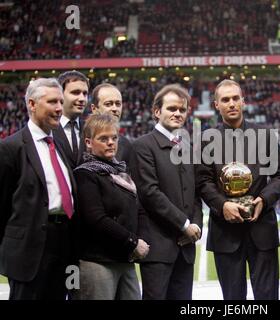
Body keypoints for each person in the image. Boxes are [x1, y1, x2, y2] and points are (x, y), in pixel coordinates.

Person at [197, 79, 280, 300]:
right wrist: (222, 205)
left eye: (235, 98)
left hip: (262, 230)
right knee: (232, 300)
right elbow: (202, 182)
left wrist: (264, 200)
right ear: (216, 105)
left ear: (243, 102)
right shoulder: (206, 141)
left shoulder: (265, 136)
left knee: (267, 298)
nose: (231, 103)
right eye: (225, 99)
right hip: (225, 232)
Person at [0, 78, 76, 300]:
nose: (59, 108)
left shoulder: (61, 145)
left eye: (61, 102)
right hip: (28, 251)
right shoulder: (10, 148)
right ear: (32, 104)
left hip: (63, 244)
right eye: (52, 102)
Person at [132, 84, 202, 300]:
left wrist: (196, 225)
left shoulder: (189, 149)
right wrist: (184, 225)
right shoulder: (142, 146)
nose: (177, 113)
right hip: (158, 248)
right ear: (157, 112)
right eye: (172, 108)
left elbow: (195, 194)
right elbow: (149, 193)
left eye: (182, 110)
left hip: (185, 249)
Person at [72, 113, 149, 300]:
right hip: (98, 261)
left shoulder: (121, 171)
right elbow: (96, 219)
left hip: (124, 259)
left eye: (114, 138)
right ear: (89, 142)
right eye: (103, 138)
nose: (110, 143)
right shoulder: (85, 174)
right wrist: (132, 241)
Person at [90, 83, 134, 165]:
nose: (115, 108)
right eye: (108, 104)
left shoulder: (126, 144)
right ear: (94, 108)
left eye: (118, 104)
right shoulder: (79, 138)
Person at [54, 70, 89, 169]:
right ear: (60, 95)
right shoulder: (47, 131)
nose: (82, 98)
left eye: (85, 93)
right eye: (75, 92)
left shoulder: (91, 130)